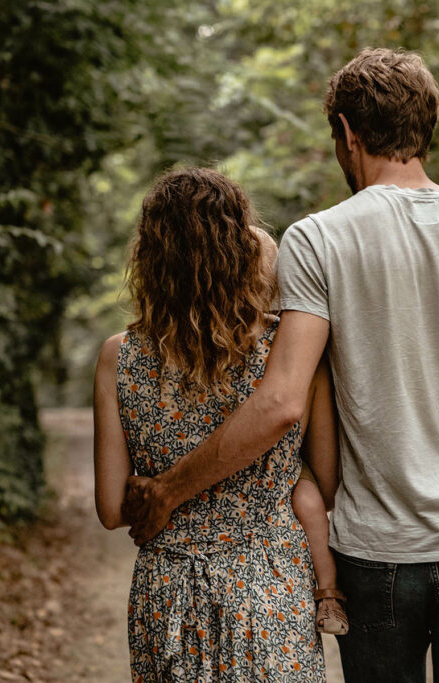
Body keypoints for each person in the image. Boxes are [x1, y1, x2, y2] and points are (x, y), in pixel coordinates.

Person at [123, 48, 439, 683]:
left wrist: (167, 490)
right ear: (425, 130)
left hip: (379, 551)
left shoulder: (318, 240)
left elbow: (280, 403)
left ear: (348, 134)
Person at [92, 167, 338, 681]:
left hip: (168, 593)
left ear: (151, 258)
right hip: (270, 588)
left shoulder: (120, 357)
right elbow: (328, 481)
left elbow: (112, 509)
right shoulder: (289, 352)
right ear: (242, 249)